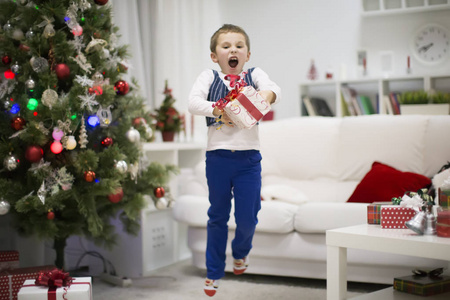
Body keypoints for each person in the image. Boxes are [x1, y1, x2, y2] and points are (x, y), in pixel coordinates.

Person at [188, 24, 281, 297]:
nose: (233, 50)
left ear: (247, 54)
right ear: (214, 56)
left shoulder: (255, 75)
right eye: (226, 46)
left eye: (239, 46)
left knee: (248, 218)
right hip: (217, 158)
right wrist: (220, 109)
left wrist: (264, 96)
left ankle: (241, 253)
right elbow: (193, 103)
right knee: (217, 216)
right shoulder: (209, 76)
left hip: (249, 160)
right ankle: (213, 271)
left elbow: (274, 89)